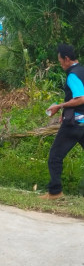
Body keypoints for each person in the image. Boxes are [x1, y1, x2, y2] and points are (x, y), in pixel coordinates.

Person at [41, 44, 84, 200]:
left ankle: (55, 192)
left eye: (60, 61)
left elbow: (80, 98)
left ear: (66, 59)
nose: (60, 64)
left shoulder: (73, 74)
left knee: (55, 157)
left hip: (74, 125)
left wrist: (60, 106)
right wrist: (66, 111)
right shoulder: (83, 70)